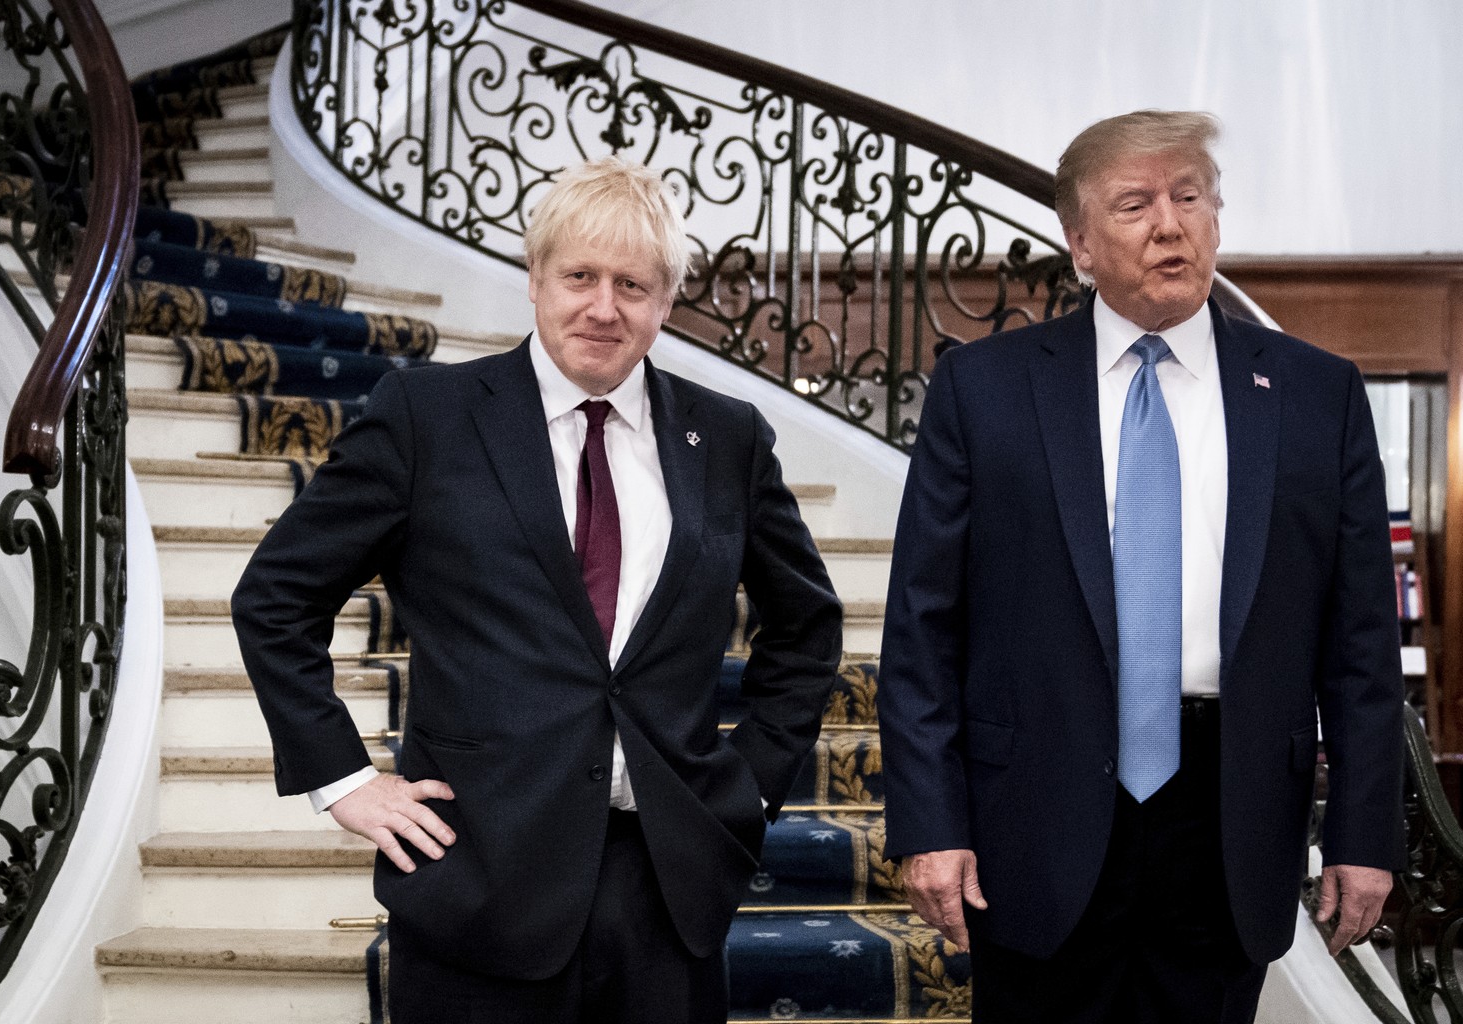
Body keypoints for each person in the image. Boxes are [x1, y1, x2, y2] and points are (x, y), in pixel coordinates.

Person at [231, 156, 843, 1024]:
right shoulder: (425, 417)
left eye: (633, 284)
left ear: (666, 301)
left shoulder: (730, 437)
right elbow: (275, 598)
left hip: (668, 888)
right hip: (478, 875)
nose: (604, 307)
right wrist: (342, 778)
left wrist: (744, 784)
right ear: (534, 281)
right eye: (580, 276)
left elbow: (808, 627)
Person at [876, 110, 1403, 1023]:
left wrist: (1366, 831)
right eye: (1135, 204)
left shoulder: (1318, 394)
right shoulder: (986, 390)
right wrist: (931, 826)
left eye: (1189, 196)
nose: (1170, 223)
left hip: (1230, 814)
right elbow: (923, 628)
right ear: (1079, 243)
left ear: (1217, 218)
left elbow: (1359, 640)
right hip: (1032, 812)